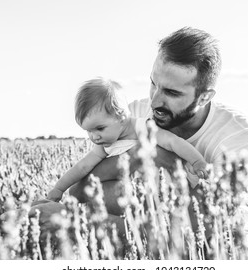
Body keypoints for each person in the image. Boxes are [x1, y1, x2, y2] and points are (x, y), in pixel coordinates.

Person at [68, 27, 248, 233]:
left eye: (171, 92)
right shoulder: (131, 115)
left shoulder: (241, 136)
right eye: (153, 83)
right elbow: (82, 190)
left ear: (205, 97)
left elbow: (210, 223)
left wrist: (168, 160)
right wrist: (138, 154)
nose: (154, 101)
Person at [46, 77, 209, 202]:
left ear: (122, 117)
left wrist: (197, 162)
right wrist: (59, 189)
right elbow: (82, 167)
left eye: (100, 128)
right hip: (135, 197)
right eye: (88, 131)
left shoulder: (142, 128)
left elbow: (173, 142)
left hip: (167, 189)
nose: (94, 137)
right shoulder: (105, 145)